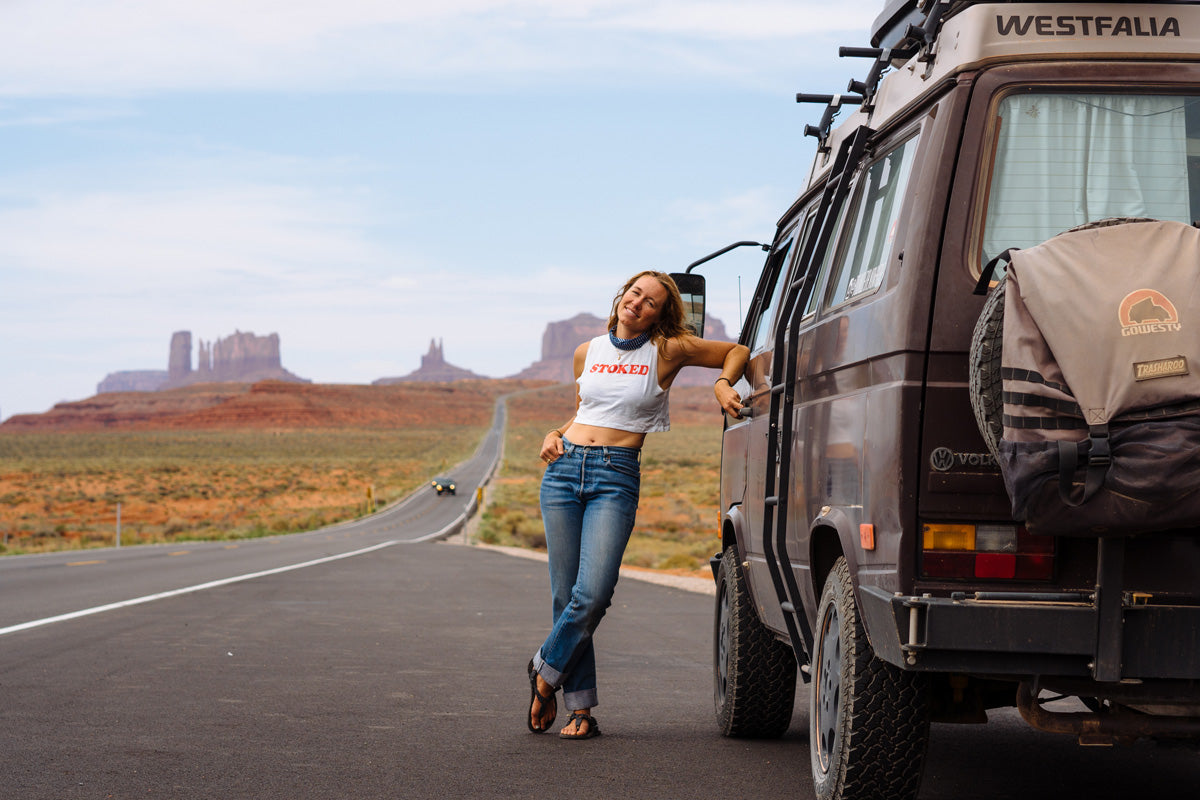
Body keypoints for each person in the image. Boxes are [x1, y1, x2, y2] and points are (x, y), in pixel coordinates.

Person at [527, 269, 749, 740]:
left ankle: (544, 670)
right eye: (635, 293)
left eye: (651, 302)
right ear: (621, 296)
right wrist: (553, 432)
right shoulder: (586, 351)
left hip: (615, 475)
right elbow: (585, 412)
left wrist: (723, 384)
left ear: (659, 316)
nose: (638, 303)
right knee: (565, 597)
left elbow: (737, 351)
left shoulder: (667, 350)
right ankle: (580, 710)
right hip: (564, 470)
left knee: (593, 595)